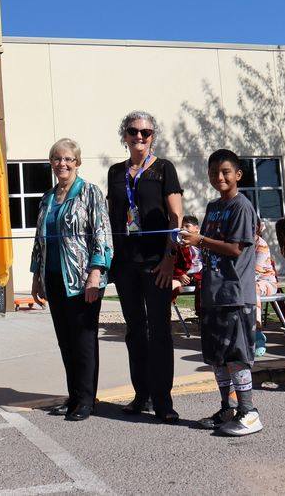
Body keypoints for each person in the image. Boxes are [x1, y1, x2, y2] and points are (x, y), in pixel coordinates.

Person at [106, 111, 183, 423]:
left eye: (146, 132)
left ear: (153, 136)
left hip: (157, 263)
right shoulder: (115, 172)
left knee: (160, 331)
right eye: (133, 131)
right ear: (124, 135)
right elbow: (111, 218)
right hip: (125, 264)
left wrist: (169, 259)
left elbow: (176, 218)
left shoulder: (164, 169)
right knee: (135, 331)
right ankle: (143, 394)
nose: (139, 137)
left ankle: (164, 400)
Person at [29, 138, 114, 422]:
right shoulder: (47, 198)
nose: (62, 164)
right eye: (56, 159)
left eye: (67, 159)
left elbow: (102, 234)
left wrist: (96, 272)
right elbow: (39, 241)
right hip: (53, 278)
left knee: (84, 340)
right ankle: (74, 396)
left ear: (77, 162)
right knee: (66, 341)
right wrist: (35, 276)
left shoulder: (89, 193)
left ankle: (87, 400)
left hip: (83, 280)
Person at [179, 149, 261, 436]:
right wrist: (193, 242)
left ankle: (249, 411)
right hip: (213, 291)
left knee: (237, 354)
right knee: (217, 356)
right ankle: (227, 407)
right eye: (214, 172)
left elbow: (236, 248)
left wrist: (200, 239)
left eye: (226, 171)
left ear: (238, 175)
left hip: (235, 293)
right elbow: (207, 245)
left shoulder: (242, 206)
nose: (220, 177)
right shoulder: (213, 207)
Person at [253, 218, 278, 358]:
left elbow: (255, 271)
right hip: (244, 281)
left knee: (252, 289)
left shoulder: (260, 244)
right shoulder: (237, 243)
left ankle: (257, 332)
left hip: (266, 281)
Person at [171, 215, 202, 300]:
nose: (183, 229)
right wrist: (180, 274)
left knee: (202, 287)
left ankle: (201, 312)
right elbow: (174, 263)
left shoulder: (204, 244)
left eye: (187, 226)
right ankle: (165, 312)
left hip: (200, 276)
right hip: (183, 276)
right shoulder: (179, 244)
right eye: (182, 227)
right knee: (170, 287)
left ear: (197, 228)